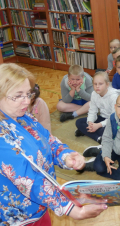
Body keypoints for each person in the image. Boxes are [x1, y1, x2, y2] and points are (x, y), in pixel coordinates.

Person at [0, 63, 107, 225]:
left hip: (41, 203)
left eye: (28, 94)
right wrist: (72, 209)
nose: (26, 101)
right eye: (18, 95)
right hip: (21, 216)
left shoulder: (22, 116)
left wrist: (66, 156)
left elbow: (48, 140)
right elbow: (29, 180)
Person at [75, 71, 120, 143]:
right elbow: (92, 111)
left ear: (107, 85)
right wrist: (90, 123)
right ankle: (97, 138)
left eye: (100, 84)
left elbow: (114, 118)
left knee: (108, 131)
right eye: (95, 84)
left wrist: (98, 125)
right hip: (102, 117)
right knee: (79, 122)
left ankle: (85, 131)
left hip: (113, 120)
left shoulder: (114, 97)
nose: (97, 86)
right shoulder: (94, 94)